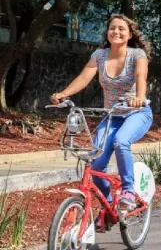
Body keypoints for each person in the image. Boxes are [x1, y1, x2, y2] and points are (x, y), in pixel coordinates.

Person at [50, 14, 152, 214]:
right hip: (111, 115)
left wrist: (139, 97)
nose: (116, 32)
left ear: (129, 34)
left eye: (121, 29)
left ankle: (128, 192)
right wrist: (63, 94)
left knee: (121, 141)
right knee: (96, 163)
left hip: (136, 112)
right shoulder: (99, 55)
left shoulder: (137, 55)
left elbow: (141, 76)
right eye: (112, 28)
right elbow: (83, 78)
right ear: (107, 32)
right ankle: (107, 208)